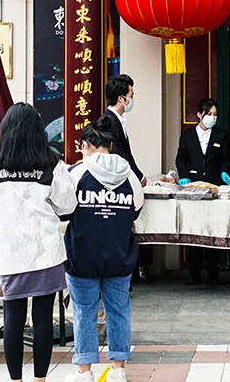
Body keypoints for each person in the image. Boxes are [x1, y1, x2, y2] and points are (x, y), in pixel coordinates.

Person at [0, 103, 78, 382]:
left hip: (9, 253)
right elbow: (68, 203)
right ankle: (40, 379)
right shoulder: (50, 164)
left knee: (13, 318)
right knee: (43, 318)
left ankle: (15, 380)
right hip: (44, 251)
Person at [64, 120, 144, 382]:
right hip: (119, 255)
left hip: (82, 256)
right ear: (111, 146)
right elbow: (137, 210)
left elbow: (64, 210)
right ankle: (119, 369)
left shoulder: (76, 173)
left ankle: (85, 371)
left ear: (85, 146)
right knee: (119, 311)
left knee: (84, 312)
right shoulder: (130, 177)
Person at [175, 97, 230, 285]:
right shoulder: (187, 135)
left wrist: (224, 172)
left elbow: (225, 158)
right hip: (193, 187)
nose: (212, 118)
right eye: (209, 114)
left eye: (215, 115)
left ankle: (214, 273)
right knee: (195, 230)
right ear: (199, 115)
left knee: (213, 229)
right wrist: (184, 176)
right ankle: (194, 272)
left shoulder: (221, 135)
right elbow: (181, 158)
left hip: (214, 186)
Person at [96, 74, 145, 184]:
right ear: (121, 99)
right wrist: (139, 178)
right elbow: (119, 156)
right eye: (131, 96)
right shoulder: (107, 122)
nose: (132, 100)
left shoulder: (117, 120)